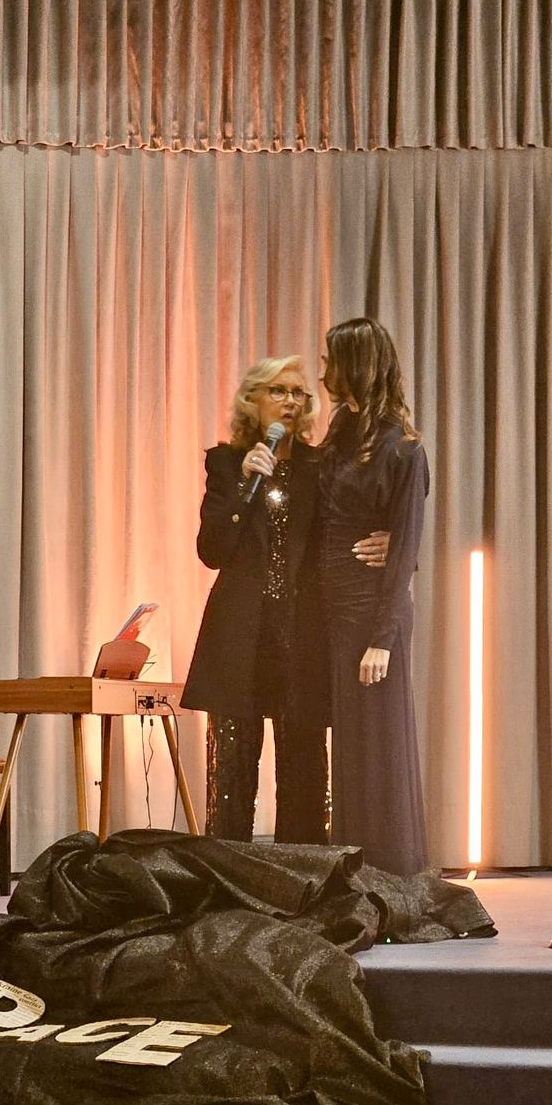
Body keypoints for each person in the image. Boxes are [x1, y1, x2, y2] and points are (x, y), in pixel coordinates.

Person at [182, 356, 388, 844]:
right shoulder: (226, 464)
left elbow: (351, 530)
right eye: (278, 391)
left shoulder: (322, 466)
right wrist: (243, 488)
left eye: (299, 393)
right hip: (240, 640)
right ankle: (230, 876)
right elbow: (212, 552)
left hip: (304, 637)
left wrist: (393, 544)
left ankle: (304, 876)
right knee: (231, 777)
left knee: (305, 773)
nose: (291, 401)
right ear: (252, 401)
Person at [319, 318, 430, 877]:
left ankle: (392, 874)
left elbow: (405, 548)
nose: (323, 372)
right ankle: (352, 868)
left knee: (380, 749)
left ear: (356, 367)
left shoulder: (403, 451)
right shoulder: (340, 434)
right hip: (335, 615)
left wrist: (382, 640)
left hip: (372, 617)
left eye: (331, 361)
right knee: (351, 754)